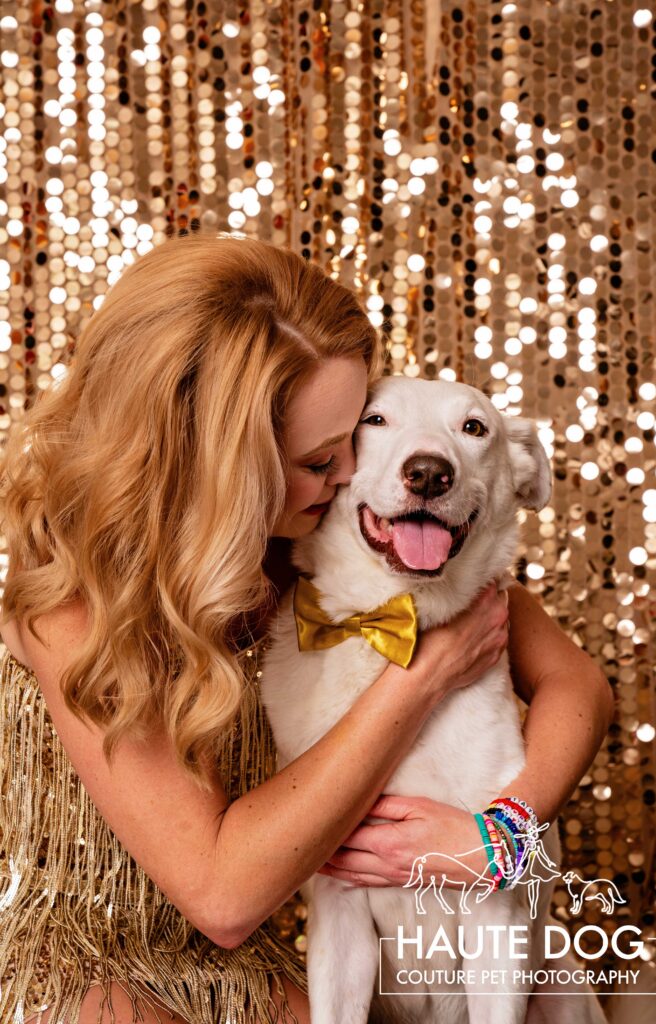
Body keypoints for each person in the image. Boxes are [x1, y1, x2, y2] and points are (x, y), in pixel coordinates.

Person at [0, 232, 614, 1024]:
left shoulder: (327, 543)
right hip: (85, 965)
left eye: (349, 440)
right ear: (216, 459)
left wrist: (502, 836)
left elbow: (579, 685)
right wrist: (421, 674)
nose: (356, 477)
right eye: (320, 458)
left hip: (246, 963)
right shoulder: (73, 603)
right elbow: (222, 893)